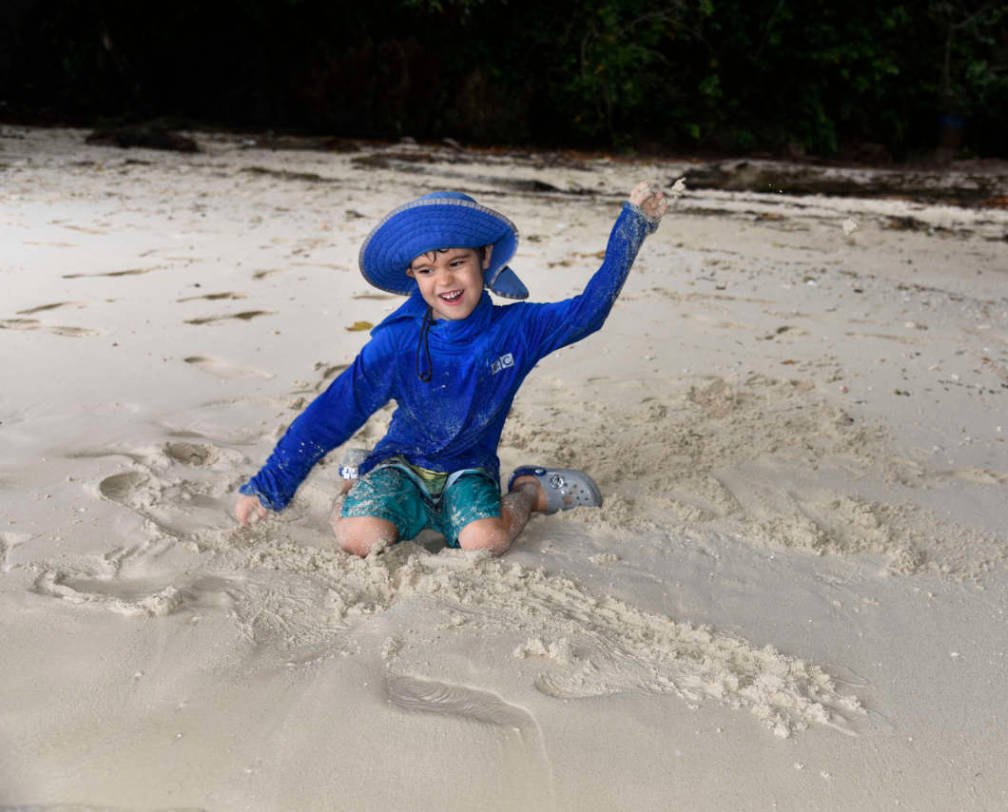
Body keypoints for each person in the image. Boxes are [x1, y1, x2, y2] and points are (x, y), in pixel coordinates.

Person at [234, 181, 667, 556]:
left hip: (469, 467)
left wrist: (632, 227)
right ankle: (353, 484)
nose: (444, 281)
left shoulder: (517, 329)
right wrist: (271, 486)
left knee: (487, 541)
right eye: (426, 270)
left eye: (455, 263)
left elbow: (588, 313)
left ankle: (529, 492)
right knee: (360, 540)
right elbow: (334, 412)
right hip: (400, 463)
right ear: (413, 277)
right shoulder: (398, 342)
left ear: (485, 256)